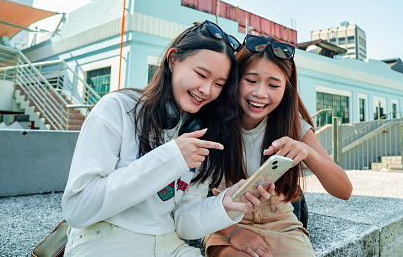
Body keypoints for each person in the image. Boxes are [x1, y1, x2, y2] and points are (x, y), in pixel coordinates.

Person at [62, 21, 274, 257]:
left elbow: (183, 221)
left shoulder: (199, 131)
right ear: (173, 60)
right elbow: (78, 208)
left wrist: (225, 204)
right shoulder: (118, 109)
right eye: (201, 74)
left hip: (169, 244)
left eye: (218, 84)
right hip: (107, 239)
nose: (206, 90)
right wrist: (171, 158)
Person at [205, 34, 353, 257]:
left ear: (286, 88)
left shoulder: (294, 126)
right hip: (226, 222)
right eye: (251, 80)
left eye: (274, 84)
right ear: (234, 79)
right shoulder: (211, 122)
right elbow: (194, 198)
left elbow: (344, 190)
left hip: (282, 222)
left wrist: (307, 152)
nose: (260, 93)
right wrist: (234, 231)